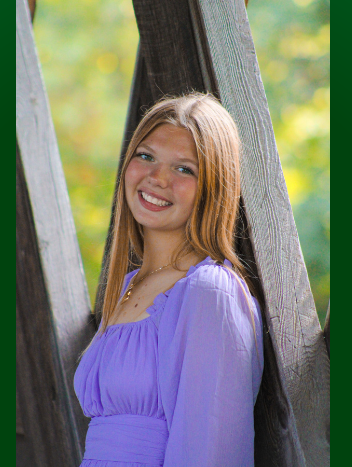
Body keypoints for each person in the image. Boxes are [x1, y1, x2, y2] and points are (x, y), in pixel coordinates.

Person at [74, 93, 264, 467]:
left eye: (184, 169)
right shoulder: (127, 283)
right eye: (146, 156)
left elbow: (210, 450)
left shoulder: (209, 291)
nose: (157, 178)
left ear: (213, 185)